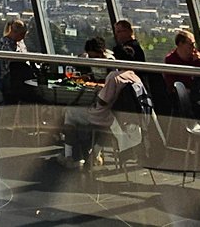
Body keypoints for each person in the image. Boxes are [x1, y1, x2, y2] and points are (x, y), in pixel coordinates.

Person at [59, 36, 150, 166]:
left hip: (107, 115)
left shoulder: (113, 75)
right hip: (122, 118)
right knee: (99, 123)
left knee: (70, 112)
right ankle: (94, 154)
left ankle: (69, 155)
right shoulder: (133, 75)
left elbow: (103, 101)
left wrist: (98, 90)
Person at [0, 19, 41, 104]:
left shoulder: (19, 43)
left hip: (16, 78)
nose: (23, 37)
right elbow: (9, 64)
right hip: (10, 79)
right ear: (14, 32)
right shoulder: (6, 45)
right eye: (22, 34)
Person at [161, 27, 200, 98]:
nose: (193, 48)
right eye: (191, 45)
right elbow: (171, 86)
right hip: (181, 96)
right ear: (181, 44)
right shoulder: (171, 60)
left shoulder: (196, 56)